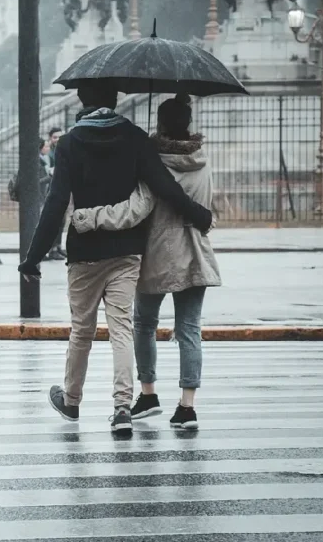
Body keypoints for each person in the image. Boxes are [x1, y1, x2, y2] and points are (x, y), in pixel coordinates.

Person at [17, 80, 213, 435]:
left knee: (82, 331)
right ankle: (122, 407)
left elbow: (56, 203)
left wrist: (33, 258)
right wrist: (197, 213)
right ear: (117, 98)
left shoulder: (70, 143)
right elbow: (163, 186)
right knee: (121, 330)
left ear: (82, 100)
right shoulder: (135, 138)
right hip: (127, 251)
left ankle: (72, 401)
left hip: (84, 251)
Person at [70, 95, 221, 430]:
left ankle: (148, 392)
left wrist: (91, 218)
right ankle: (187, 406)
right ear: (189, 124)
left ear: (161, 123)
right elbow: (209, 204)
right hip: (196, 252)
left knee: (143, 325)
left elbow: (139, 207)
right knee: (189, 330)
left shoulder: (154, 161)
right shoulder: (203, 158)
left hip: (158, 252)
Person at [46, 126, 67, 261]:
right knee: (55, 220)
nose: (57, 139)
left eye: (60, 136)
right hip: (52, 190)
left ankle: (58, 246)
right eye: (55, 137)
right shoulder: (49, 153)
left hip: (63, 188)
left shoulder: (64, 150)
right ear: (50, 138)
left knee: (62, 220)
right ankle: (52, 249)